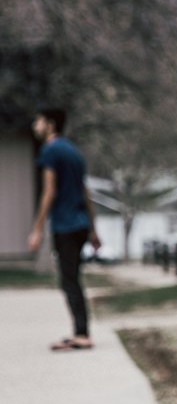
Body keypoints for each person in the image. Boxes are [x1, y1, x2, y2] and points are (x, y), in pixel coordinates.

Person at [27, 108, 102, 351]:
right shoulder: (73, 152)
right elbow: (85, 192)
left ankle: (82, 334)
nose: (35, 125)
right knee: (72, 278)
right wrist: (92, 229)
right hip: (79, 224)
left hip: (65, 224)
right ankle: (80, 331)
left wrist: (37, 228)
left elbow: (50, 192)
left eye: (38, 121)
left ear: (50, 125)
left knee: (69, 280)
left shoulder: (50, 151)